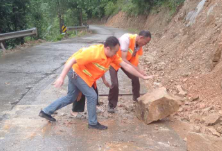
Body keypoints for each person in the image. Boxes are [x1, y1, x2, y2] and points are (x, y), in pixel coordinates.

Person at [39, 36, 151, 130]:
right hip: (76, 73)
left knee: (70, 97)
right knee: (92, 95)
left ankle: (46, 111)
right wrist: (61, 77)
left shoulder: (111, 56)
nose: (116, 54)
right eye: (115, 51)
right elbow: (72, 60)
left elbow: (125, 66)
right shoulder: (93, 52)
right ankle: (92, 123)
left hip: (82, 75)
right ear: (107, 48)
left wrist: (142, 76)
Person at [108, 31, 152, 113]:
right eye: (145, 42)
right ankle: (111, 105)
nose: (145, 44)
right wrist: (138, 70)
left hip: (125, 63)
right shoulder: (126, 39)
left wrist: (139, 72)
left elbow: (134, 60)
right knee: (115, 84)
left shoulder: (138, 45)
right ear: (141, 37)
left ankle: (136, 100)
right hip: (114, 61)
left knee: (135, 78)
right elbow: (123, 59)